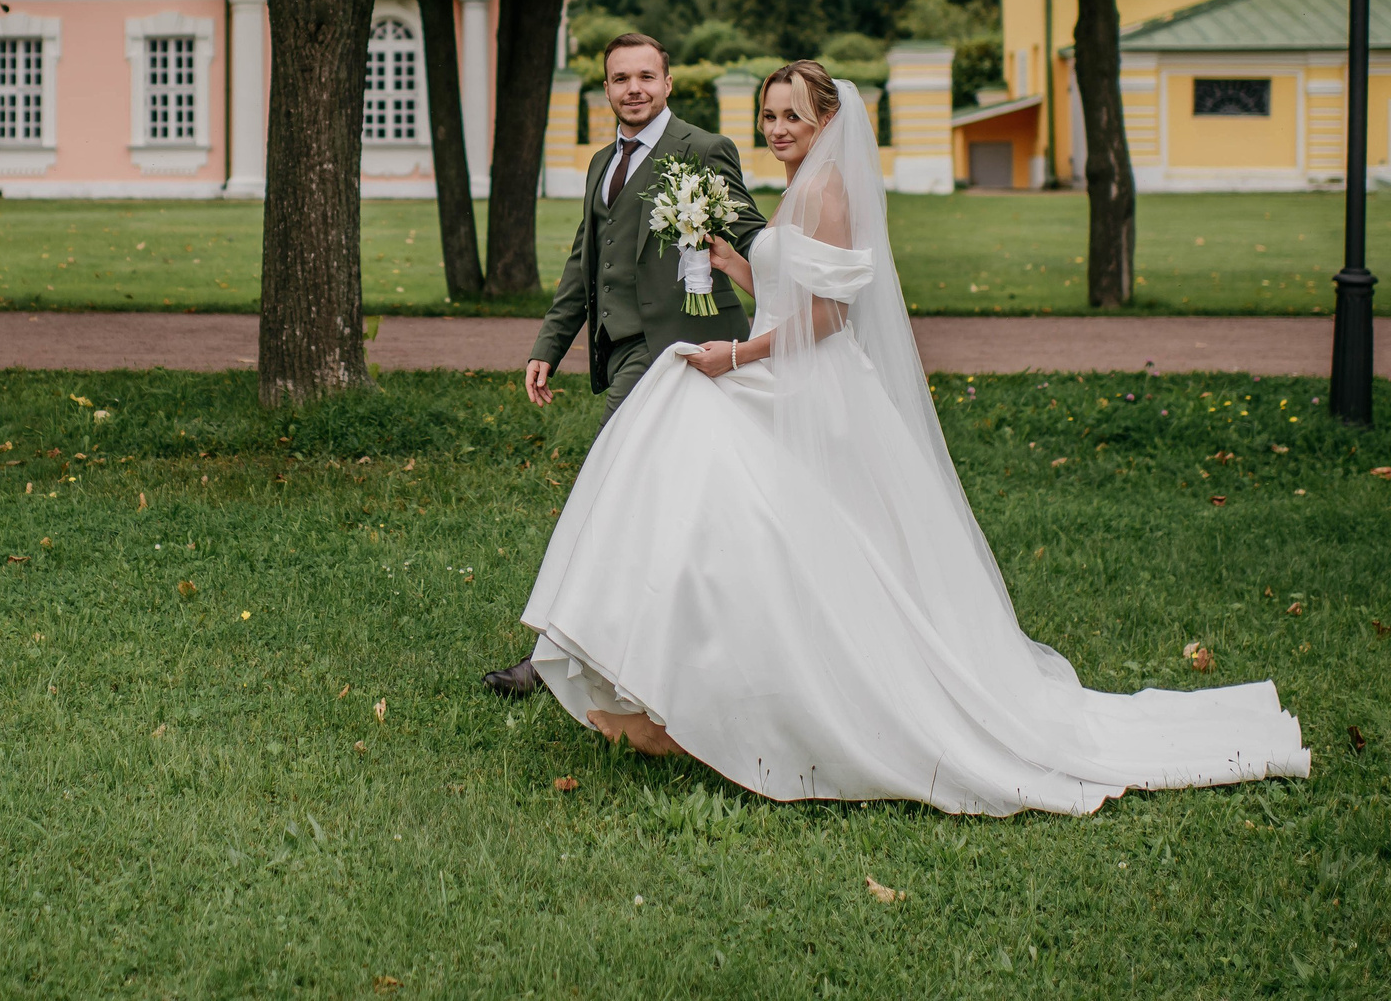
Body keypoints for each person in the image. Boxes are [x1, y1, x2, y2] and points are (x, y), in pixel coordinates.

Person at [513, 59, 1312, 814]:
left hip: (814, 383)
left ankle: (783, 690)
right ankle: (694, 673)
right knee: (742, 493)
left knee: (796, 520)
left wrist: (737, 352)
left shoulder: (826, 190)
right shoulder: (801, 186)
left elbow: (829, 317)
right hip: (789, 368)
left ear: (827, 118)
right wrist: (733, 262)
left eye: (793, 114)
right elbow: (800, 288)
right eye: (769, 113)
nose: (777, 126)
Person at [482, 31, 765, 699]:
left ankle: (553, 657)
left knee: (605, 492)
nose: (633, 88)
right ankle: (660, 648)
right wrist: (549, 345)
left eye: (645, 76)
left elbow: (748, 228)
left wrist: (791, 275)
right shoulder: (601, 162)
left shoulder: (702, 149)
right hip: (625, 347)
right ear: (606, 88)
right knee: (670, 506)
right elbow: (587, 257)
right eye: (619, 78)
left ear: (668, 83)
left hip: (679, 350)